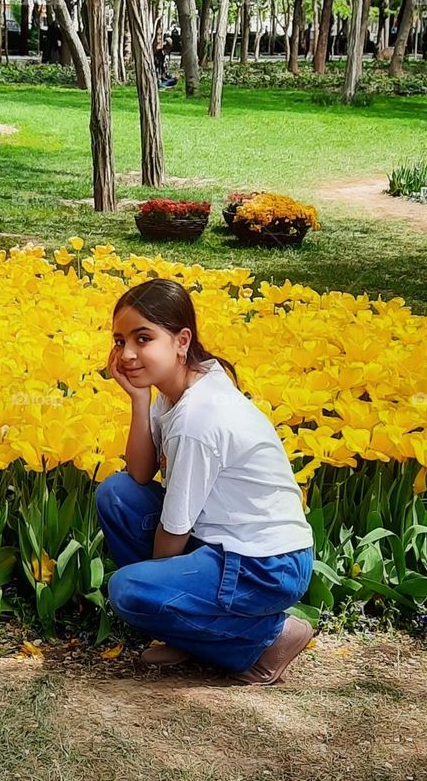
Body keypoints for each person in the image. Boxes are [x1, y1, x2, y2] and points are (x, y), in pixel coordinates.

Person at [96, 278, 315, 685]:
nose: (126, 354)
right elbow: (140, 475)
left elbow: (174, 528)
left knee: (129, 591)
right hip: (223, 545)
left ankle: (272, 638)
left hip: (264, 565)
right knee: (118, 495)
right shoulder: (178, 388)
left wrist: (160, 601)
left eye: (143, 338)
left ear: (182, 341)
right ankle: (192, 630)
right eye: (119, 339)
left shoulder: (199, 417)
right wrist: (138, 401)